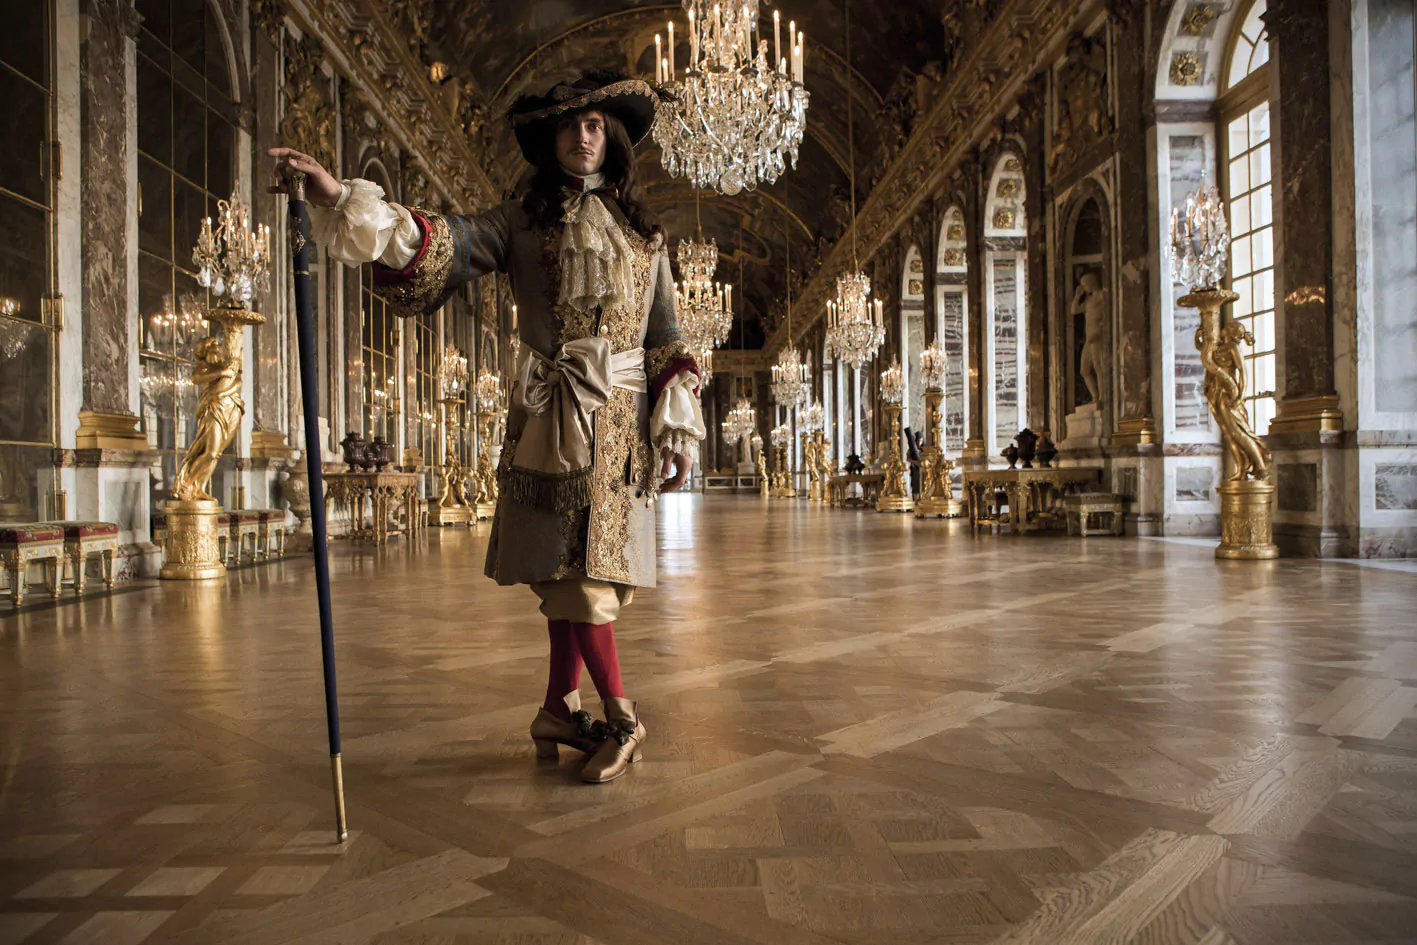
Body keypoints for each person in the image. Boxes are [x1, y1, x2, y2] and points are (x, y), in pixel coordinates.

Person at [268, 71, 705, 784]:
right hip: (551, 419)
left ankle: (558, 708)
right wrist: (339, 197)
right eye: (569, 125)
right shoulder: (519, 223)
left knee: (585, 576)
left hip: (622, 430)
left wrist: (677, 426)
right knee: (575, 577)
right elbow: (440, 241)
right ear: (550, 141)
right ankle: (622, 716)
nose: (583, 134)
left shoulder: (646, 240)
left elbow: (666, 340)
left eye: (595, 123)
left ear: (614, 137)